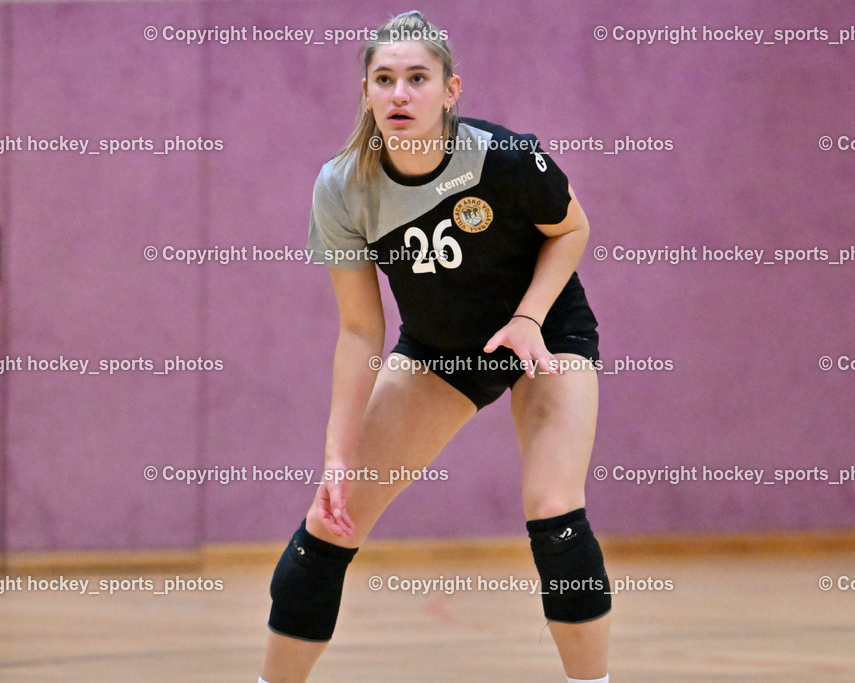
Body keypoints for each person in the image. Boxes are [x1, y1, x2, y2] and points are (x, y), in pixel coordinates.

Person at [260, 10, 611, 682]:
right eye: (384, 79)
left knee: (554, 512)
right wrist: (337, 455)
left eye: (417, 78)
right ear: (365, 91)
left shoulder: (505, 158)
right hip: (439, 352)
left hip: (543, 334)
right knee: (329, 524)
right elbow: (361, 330)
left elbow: (572, 229)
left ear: (450, 91)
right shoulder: (342, 188)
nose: (399, 94)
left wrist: (531, 317)